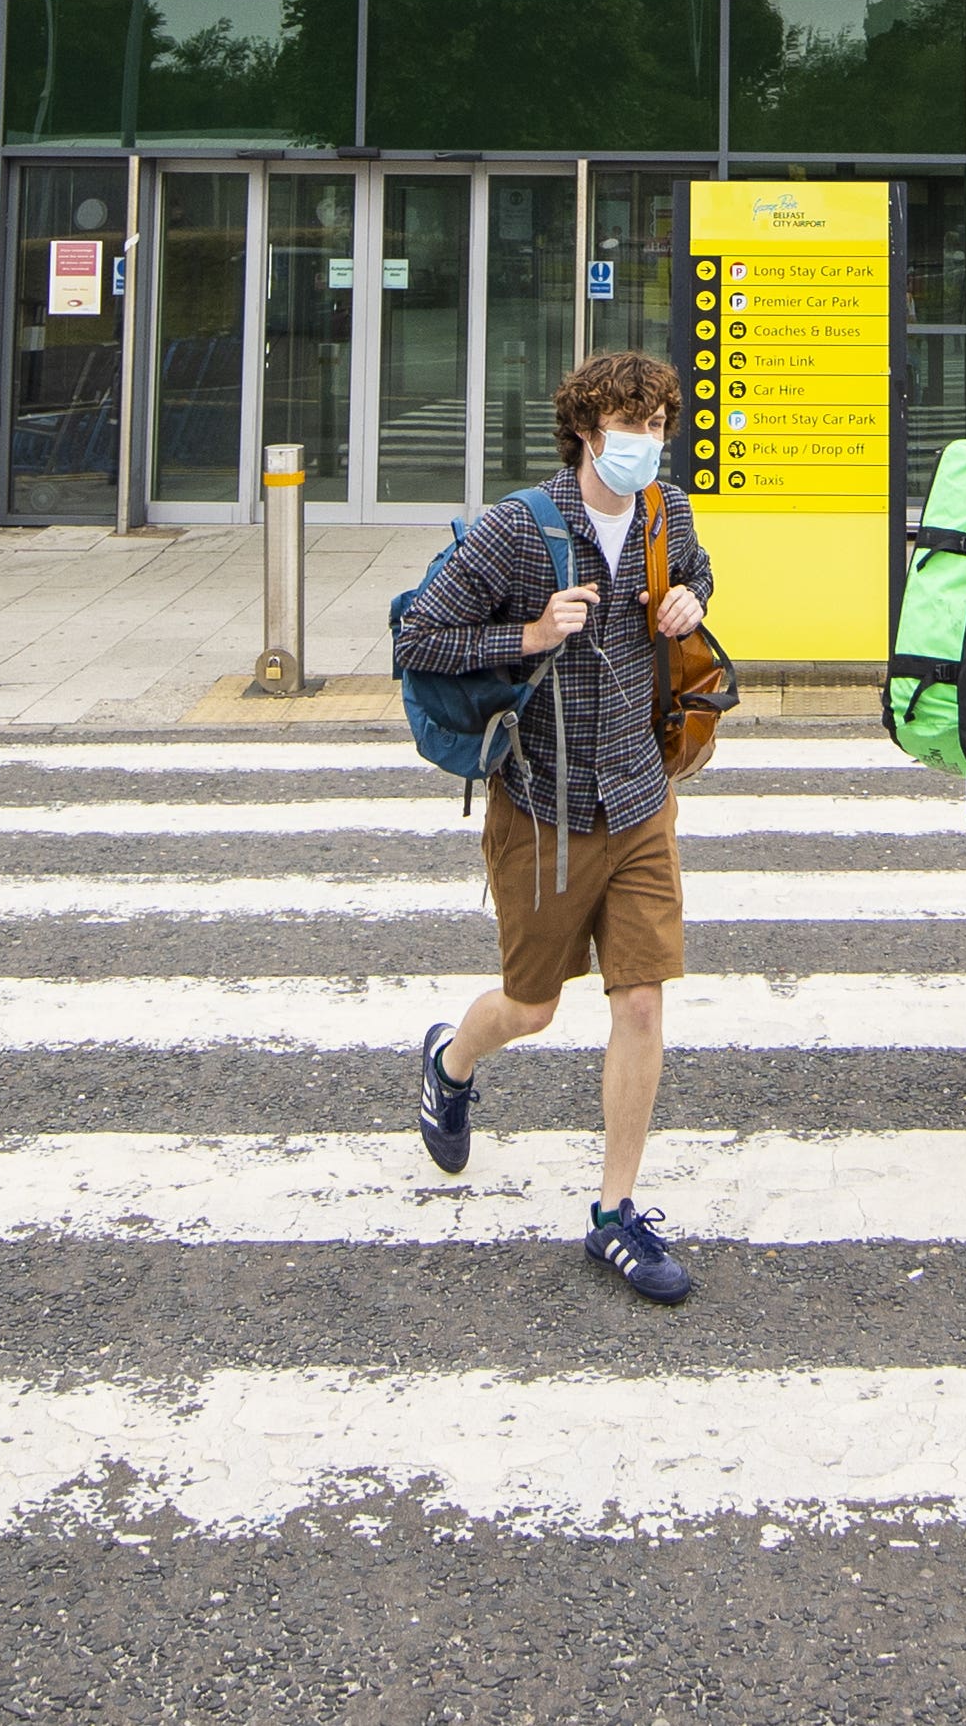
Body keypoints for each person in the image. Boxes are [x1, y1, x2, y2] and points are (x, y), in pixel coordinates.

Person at [397, 349, 715, 1304]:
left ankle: (615, 1216)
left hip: (642, 794)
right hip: (544, 807)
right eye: (629, 425)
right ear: (584, 429)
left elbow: (699, 580)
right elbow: (418, 639)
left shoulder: (667, 516)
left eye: (658, 425)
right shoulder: (518, 530)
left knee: (644, 1002)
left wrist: (693, 603)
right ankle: (452, 1060)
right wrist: (528, 635)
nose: (646, 443)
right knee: (531, 1007)